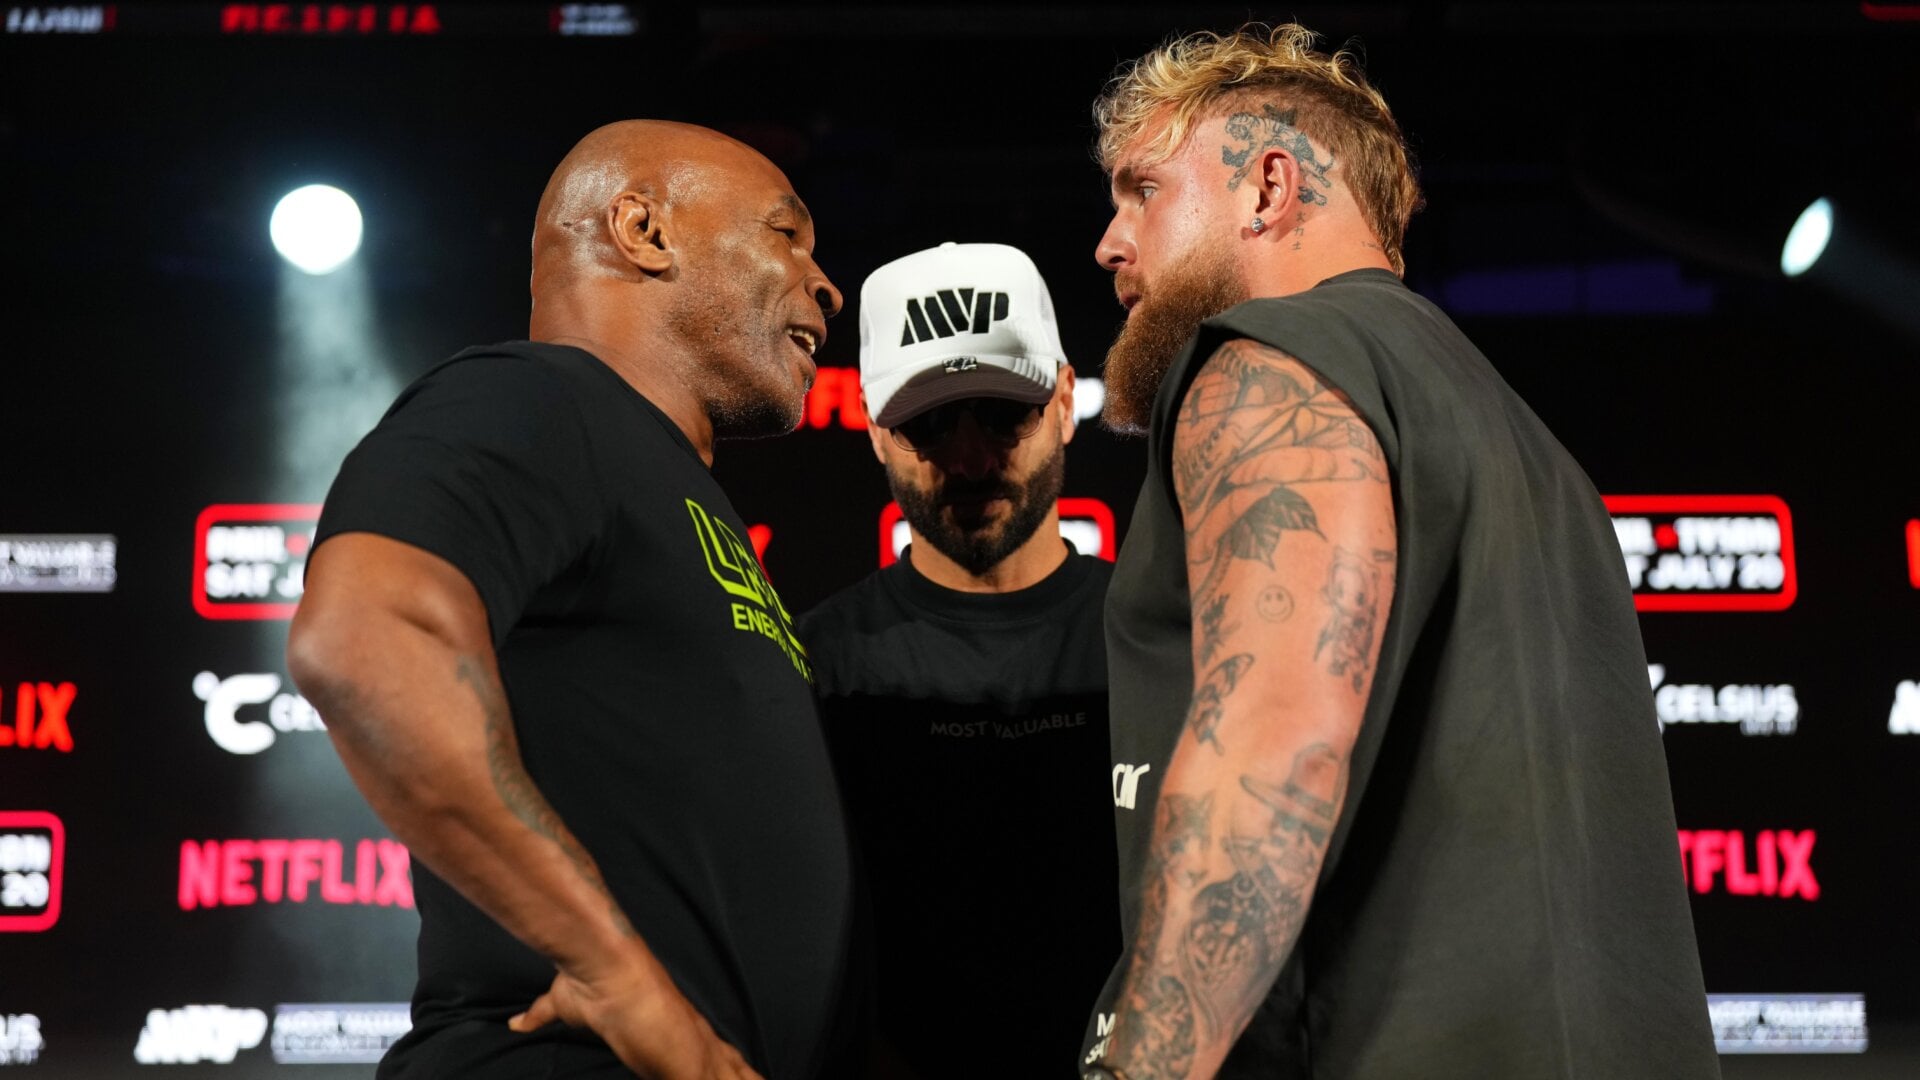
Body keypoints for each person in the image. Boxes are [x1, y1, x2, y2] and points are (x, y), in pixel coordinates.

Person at [1075, 26, 1719, 1080]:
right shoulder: (1536, 453)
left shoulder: (1267, 368)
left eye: (1140, 190)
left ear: (1266, 188)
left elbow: (1274, 740)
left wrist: (1139, 1067)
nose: (1110, 242)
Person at [286, 120, 855, 1080]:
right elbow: (363, 635)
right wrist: (623, 982)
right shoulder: (542, 399)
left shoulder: (666, 481)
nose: (827, 282)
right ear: (643, 229)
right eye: (785, 234)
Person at [797, 242, 1119, 1078]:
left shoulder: (1166, 641)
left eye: (1000, 411)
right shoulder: (814, 670)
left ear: (1060, 401)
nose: (971, 460)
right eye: (932, 423)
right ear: (875, 430)